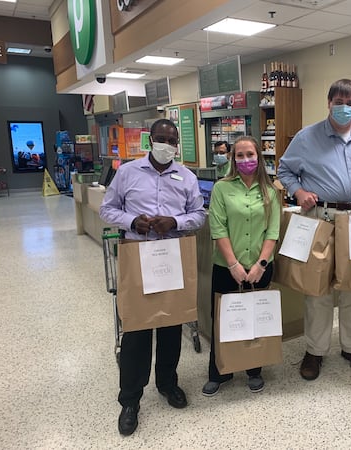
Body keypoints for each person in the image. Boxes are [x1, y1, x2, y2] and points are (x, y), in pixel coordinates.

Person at [277, 78, 351, 381]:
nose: (344, 108)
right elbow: (284, 170)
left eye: (350, 102)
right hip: (322, 218)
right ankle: (315, 351)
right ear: (328, 103)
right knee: (316, 288)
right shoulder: (307, 138)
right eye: (338, 102)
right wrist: (298, 192)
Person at [100, 119, 207, 436]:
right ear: (150, 141)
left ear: (177, 145)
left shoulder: (186, 177)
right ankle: (130, 399)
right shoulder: (127, 173)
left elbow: (198, 215)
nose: (165, 144)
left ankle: (167, 382)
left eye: (170, 140)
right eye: (159, 138)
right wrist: (134, 221)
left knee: (172, 324)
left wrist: (174, 221)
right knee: (137, 329)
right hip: (138, 256)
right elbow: (108, 209)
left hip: (171, 257)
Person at [202, 135, 281, 396]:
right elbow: (218, 227)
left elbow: (272, 231)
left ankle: (253, 369)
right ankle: (219, 372)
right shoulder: (222, 189)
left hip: (260, 266)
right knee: (224, 318)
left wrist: (261, 263)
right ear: (232, 159)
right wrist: (233, 264)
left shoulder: (269, 191)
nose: (245, 159)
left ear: (258, 157)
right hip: (226, 267)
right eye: (240, 155)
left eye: (250, 154)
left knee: (254, 318)